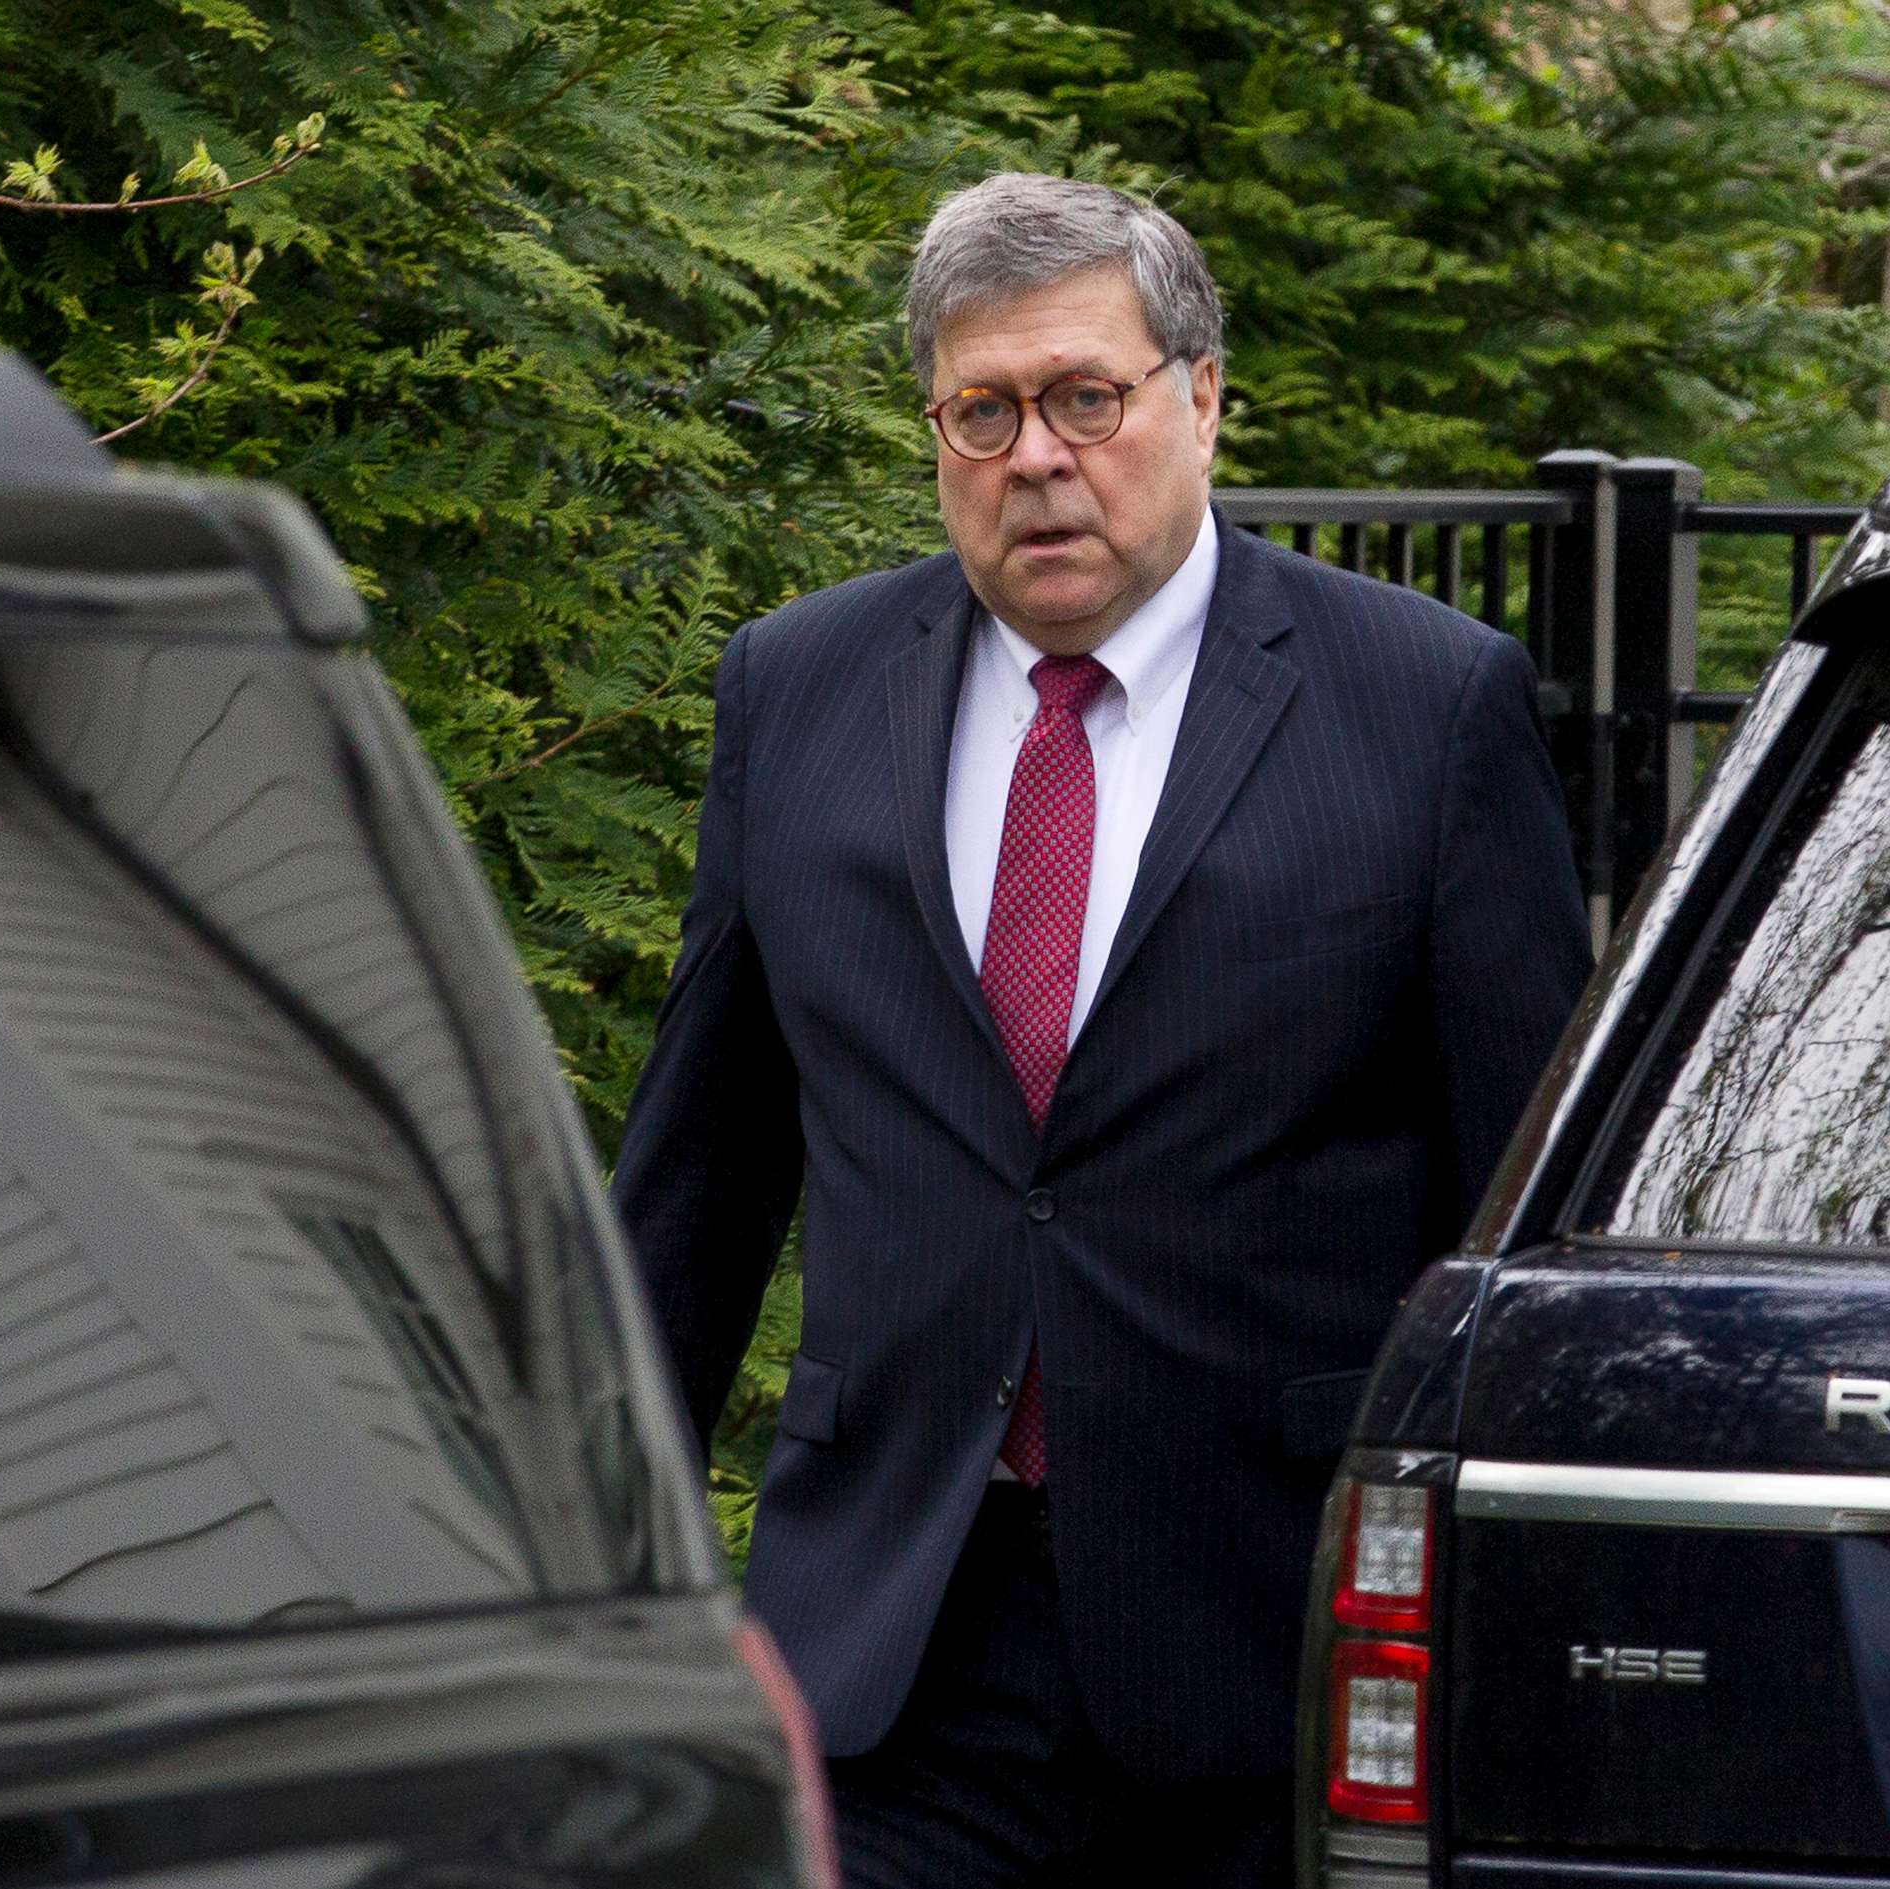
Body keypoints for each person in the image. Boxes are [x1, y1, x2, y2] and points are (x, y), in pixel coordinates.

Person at [612, 172, 1591, 1887]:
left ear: (1203, 397)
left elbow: (1523, 1222)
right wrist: (585, 1572)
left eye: (1086, 396)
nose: (1036, 457)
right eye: (981, 411)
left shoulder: (1426, 707)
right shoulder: (799, 692)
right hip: (889, 1652)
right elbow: (699, 1178)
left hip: (1263, 1646)